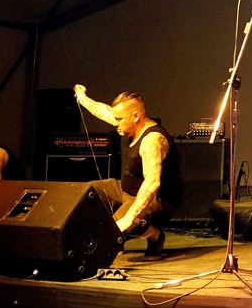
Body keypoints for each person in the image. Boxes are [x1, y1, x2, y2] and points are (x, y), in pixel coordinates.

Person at [72, 86, 182, 255]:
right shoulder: (128, 123)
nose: (115, 122)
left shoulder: (152, 141)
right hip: (125, 189)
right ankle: (119, 237)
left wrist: (128, 218)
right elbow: (104, 111)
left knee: (115, 228)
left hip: (157, 199)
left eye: (119, 119)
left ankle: (155, 235)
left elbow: (152, 183)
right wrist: (82, 97)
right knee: (85, 194)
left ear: (135, 116)